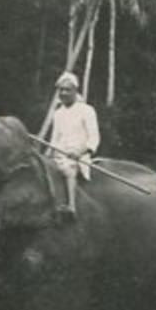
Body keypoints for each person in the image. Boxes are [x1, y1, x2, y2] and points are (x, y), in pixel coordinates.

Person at [39, 71, 100, 219]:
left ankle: (71, 207)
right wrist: (47, 155)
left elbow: (94, 137)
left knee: (68, 169)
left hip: (78, 156)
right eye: (61, 89)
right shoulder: (58, 113)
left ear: (75, 91)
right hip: (59, 154)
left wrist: (80, 152)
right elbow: (54, 139)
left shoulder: (86, 110)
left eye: (67, 90)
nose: (64, 93)